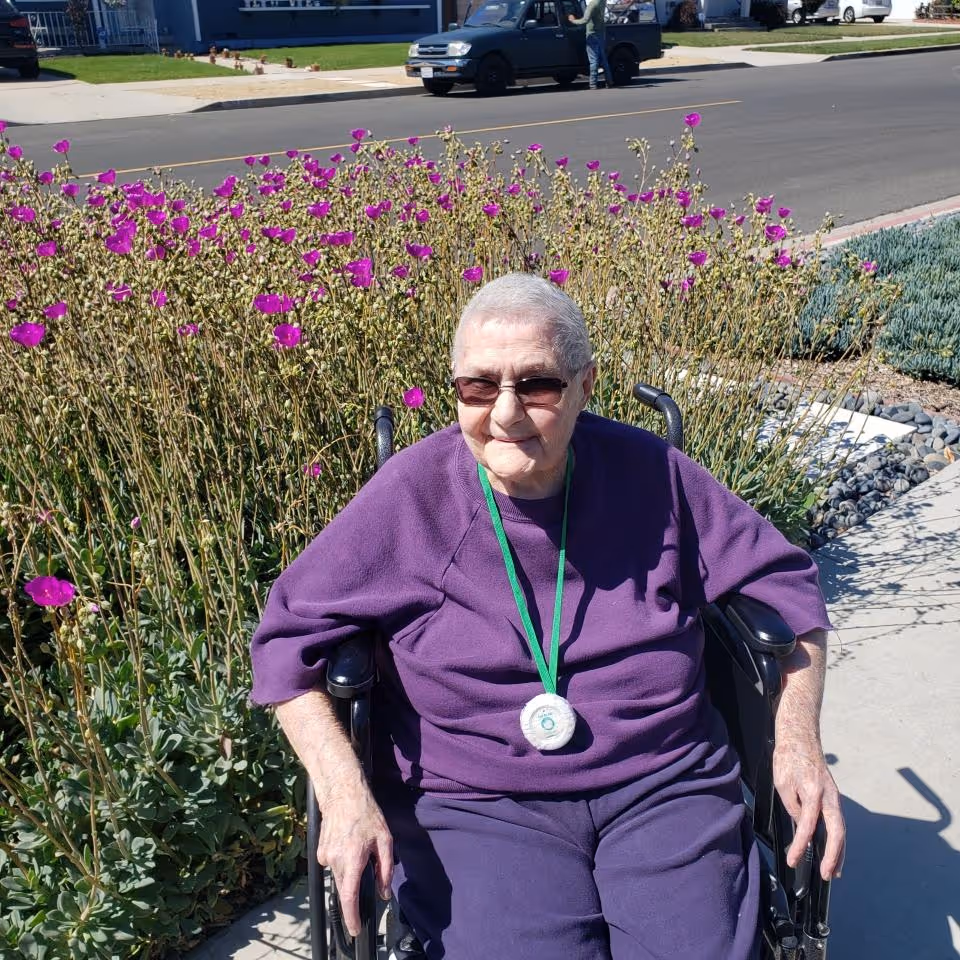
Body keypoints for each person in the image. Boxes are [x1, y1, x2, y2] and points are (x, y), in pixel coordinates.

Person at [249, 272, 845, 960]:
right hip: (480, 803)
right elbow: (286, 640)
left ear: (584, 386)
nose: (505, 412)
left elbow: (788, 587)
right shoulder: (411, 497)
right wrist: (344, 788)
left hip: (661, 782)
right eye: (477, 386)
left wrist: (797, 738)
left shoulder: (651, 474)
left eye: (536, 385)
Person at [568, 0, 613, 88]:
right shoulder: (602, 2)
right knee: (603, 60)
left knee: (593, 60)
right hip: (600, 32)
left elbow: (585, 20)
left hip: (592, 34)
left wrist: (573, 20)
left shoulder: (593, 4)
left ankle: (593, 84)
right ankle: (609, 81)